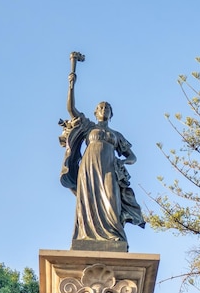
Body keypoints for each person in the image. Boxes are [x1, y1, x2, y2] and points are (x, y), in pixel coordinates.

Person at [59, 71, 145, 246]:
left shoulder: (116, 135)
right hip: (89, 167)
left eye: (107, 108)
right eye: (101, 107)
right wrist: (71, 85)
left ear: (111, 114)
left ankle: (114, 234)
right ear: (95, 112)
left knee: (112, 200)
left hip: (109, 167)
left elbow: (132, 157)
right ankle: (86, 235)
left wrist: (122, 162)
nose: (104, 110)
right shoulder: (88, 126)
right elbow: (71, 109)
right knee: (88, 200)